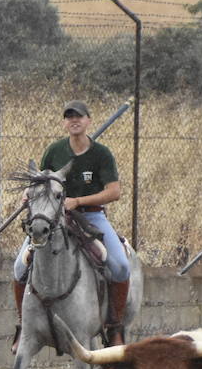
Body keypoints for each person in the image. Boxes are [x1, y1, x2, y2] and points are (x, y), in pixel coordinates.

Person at [12, 100, 131, 347]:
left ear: (88, 121)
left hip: (91, 216)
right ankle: (23, 324)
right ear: (65, 122)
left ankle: (114, 326)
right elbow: (40, 182)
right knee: (19, 268)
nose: (74, 121)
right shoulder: (54, 151)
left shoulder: (102, 154)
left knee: (120, 266)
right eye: (69, 117)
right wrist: (28, 193)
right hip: (55, 218)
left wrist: (78, 201)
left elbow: (114, 192)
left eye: (79, 116)